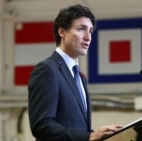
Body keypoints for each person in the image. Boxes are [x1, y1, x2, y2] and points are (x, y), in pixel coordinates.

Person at [28, 4, 123, 141]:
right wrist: (88, 137)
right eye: (81, 29)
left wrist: (96, 134)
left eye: (90, 31)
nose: (88, 37)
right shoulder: (47, 70)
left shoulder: (79, 76)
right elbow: (42, 125)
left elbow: (74, 127)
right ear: (62, 32)